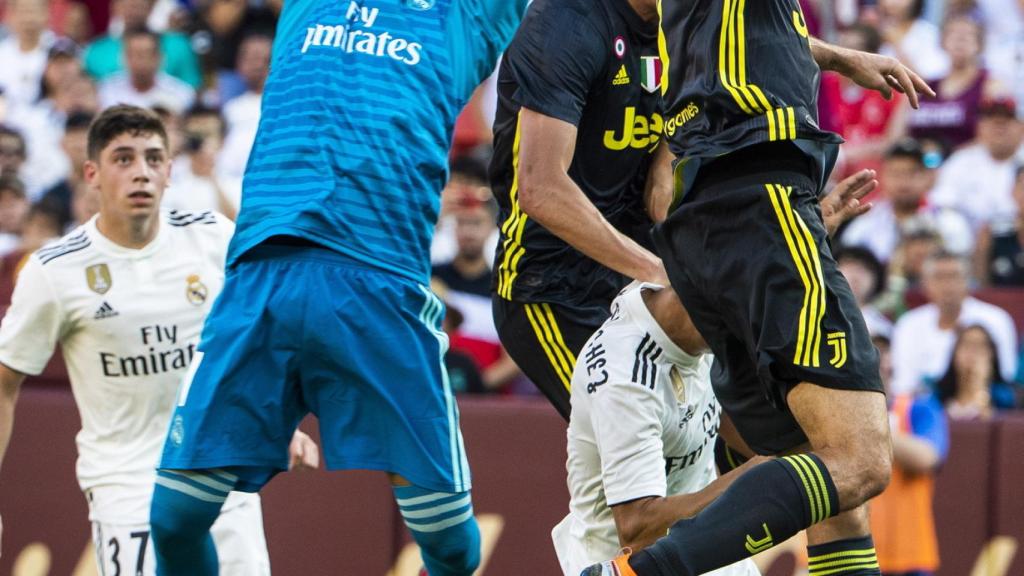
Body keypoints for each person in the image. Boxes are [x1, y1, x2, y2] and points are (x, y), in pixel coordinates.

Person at [149, 2, 528, 575]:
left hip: (380, 290)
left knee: (453, 549)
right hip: (262, 279)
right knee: (173, 518)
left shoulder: (463, 18)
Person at [584, 0, 934, 573]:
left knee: (822, 474)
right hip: (759, 193)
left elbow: (737, 39)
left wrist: (838, 57)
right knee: (860, 458)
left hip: (705, 220)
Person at [0, 105, 317, 575]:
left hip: (219, 474)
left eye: (153, 158)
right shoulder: (55, 272)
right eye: (123, 159)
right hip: (127, 491)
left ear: (170, 171)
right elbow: (4, 383)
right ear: (92, 173)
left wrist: (276, 420)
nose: (141, 173)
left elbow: (261, 335)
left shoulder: (211, 237)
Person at [557, 172, 875, 576]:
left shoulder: (701, 310)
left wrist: (811, 232)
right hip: (629, 556)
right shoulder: (627, 377)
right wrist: (769, 475)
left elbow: (744, 257)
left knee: (837, 478)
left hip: (707, 549)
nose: (758, 320)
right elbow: (637, 527)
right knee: (825, 470)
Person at [489, 0, 671, 420]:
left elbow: (661, 188)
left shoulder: (680, 26)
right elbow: (540, 189)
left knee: (717, 441)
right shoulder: (564, 21)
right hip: (550, 287)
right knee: (643, 444)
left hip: (635, 276)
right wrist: (659, 272)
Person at [867, 334, 949, 576]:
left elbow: (928, 458)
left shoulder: (918, 409)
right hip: (856, 557)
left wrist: (867, 425)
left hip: (910, 558)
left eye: (883, 351)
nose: (877, 360)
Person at [890, 250, 1018, 395]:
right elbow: (903, 385)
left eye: (954, 276)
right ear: (925, 283)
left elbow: (1006, 377)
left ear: (969, 280)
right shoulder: (908, 325)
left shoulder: (996, 320)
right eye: (939, 277)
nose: (947, 285)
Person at [98, 27, 196, 115]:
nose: (140, 60)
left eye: (146, 54)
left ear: (160, 57)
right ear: (123, 57)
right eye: (133, 54)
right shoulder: (106, 89)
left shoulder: (181, 93)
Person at [934, 324, 1019, 419]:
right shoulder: (936, 396)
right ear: (954, 353)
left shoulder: (1005, 397)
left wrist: (980, 384)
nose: (972, 351)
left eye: (980, 346)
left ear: (991, 355)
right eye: (966, 344)